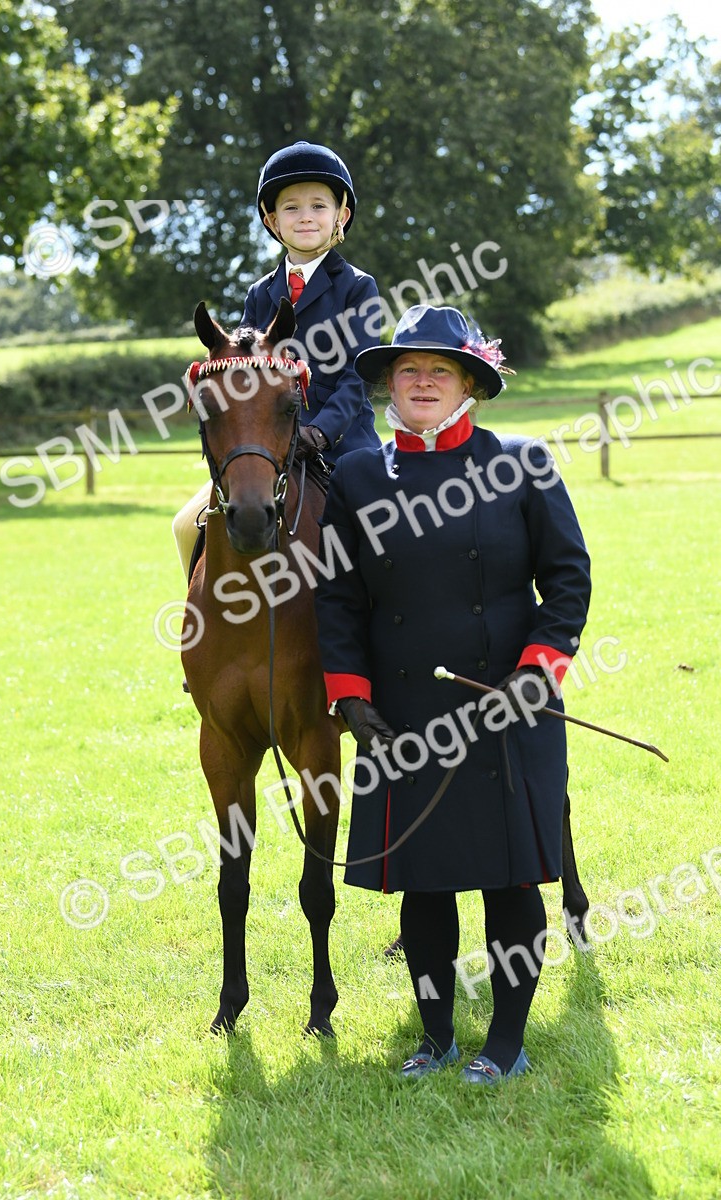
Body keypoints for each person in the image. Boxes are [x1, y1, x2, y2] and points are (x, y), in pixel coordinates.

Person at [314, 304, 591, 1083]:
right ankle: (435, 1037)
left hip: (507, 705)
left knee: (509, 878)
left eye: (440, 369)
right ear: (389, 387)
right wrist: (349, 695)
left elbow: (566, 578)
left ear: (469, 383)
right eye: (408, 370)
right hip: (403, 714)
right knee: (424, 881)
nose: (423, 381)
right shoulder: (357, 477)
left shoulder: (523, 463)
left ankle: (505, 1040)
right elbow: (335, 597)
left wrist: (534, 673)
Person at [172, 140, 382, 579]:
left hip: (342, 445)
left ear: (341, 216)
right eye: (291, 208)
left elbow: (356, 377)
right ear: (272, 220)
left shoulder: (358, 287)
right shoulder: (260, 293)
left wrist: (320, 432)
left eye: (318, 206)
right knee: (185, 525)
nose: (305, 216)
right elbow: (241, 373)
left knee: (378, 531)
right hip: (268, 444)